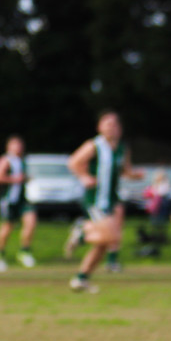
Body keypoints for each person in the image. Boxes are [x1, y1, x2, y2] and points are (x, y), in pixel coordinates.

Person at [65, 110, 142, 293]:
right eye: (107, 124)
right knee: (112, 237)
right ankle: (82, 231)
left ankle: (81, 279)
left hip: (111, 198)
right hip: (96, 199)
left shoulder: (122, 148)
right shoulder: (94, 145)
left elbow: (124, 170)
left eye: (115, 124)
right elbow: (73, 162)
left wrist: (135, 175)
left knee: (104, 244)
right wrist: (84, 177)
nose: (111, 128)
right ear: (99, 127)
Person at [0, 136, 36, 272]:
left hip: (23, 199)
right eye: (15, 145)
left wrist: (26, 179)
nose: (19, 148)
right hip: (9, 199)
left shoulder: (22, 160)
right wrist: (14, 179)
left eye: (20, 145)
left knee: (31, 222)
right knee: (7, 227)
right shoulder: (6, 160)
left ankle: (24, 251)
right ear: (9, 147)